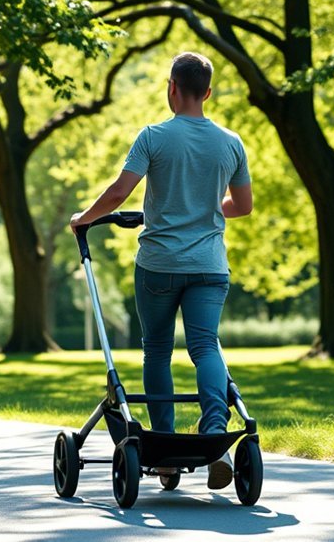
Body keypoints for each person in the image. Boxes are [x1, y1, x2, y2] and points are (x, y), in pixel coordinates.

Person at [69, 52, 253, 489]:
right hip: (209, 266)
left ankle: (165, 448)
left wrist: (84, 219)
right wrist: (205, 211)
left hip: (159, 265)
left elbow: (118, 193)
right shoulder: (231, 142)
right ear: (207, 92)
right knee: (206, 346)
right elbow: (242, 207)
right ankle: (214, 438)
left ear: (172, 87)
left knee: (157, 350)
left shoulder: (153, 136)